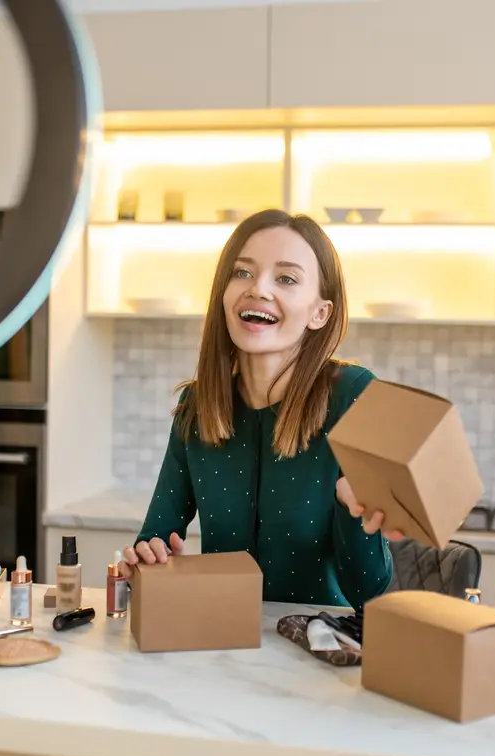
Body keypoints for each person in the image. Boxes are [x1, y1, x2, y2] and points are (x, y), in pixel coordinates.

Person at [117, 208, 401, 610]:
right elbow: (155, 537)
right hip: (220, 635)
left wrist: (350, 505)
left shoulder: (354, 396)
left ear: (320, 313)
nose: (259, 289)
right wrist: (148, 560)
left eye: (286, 278)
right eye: (242, 273)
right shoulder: (197, 407)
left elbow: (368, 591)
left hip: (317, 644)